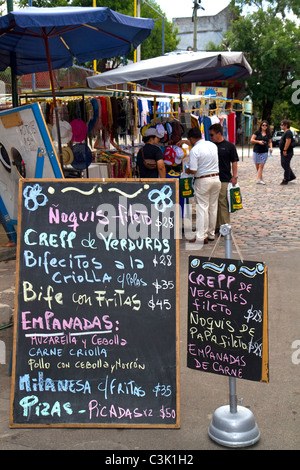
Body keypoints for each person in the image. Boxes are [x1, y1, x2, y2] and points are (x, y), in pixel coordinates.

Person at [184, 127, 221, 244]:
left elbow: (194, 170)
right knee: (213, 207)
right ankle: (210, 234)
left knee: (202, 208)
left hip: (203, 180)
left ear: (191, 139)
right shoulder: (212, 145)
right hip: (216, 178)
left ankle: (201, 236)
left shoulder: (195, 150)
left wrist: (187, 171)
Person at [209, 123, 239, 231]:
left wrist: (235, 176)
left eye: (212, 135)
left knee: (222, 202)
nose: (210, 137)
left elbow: (234, 161)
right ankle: (216, 225)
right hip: (212, 177)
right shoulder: (210, 146)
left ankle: (225, 225)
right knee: (213, 202)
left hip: (224, 178)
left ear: (219, 134)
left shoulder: (229, 146)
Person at [250, 120, 272, 184]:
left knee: (261, 165)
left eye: (266, 125)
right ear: (261, 126)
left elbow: (270, 142)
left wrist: (271, 147)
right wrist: (258, 142)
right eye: (263, 125)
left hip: (264, 151)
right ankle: (260, 177)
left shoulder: (268, 134)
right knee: (257, 165)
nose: (264, 126)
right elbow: (251, 140)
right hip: (256, 150)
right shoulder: (257, 132)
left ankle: (258, 179)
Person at [279, 119, 296, 185]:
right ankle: (291, 176)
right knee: (284, 164)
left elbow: (288, 141)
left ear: (286, 125)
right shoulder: (286, 132)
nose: (281, 126)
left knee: (285, 164)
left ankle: (286, 179)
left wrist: (285, 150)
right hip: (284, 151)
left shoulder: (288, 132)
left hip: (287, 151)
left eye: (282, 125)